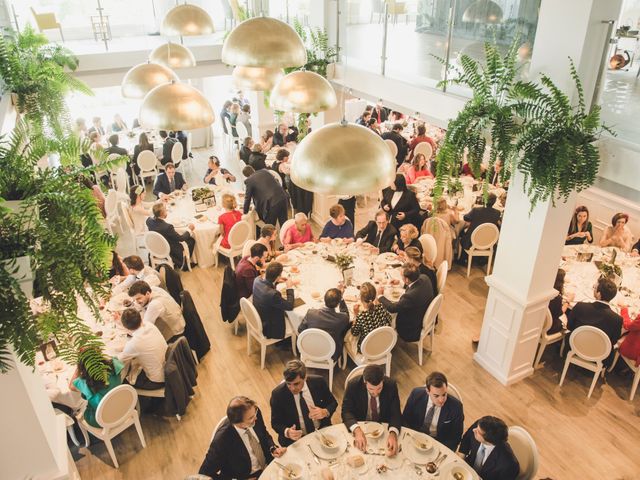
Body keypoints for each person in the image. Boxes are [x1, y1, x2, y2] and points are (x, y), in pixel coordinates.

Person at [199, 396, 285, 479]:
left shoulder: (254, 413)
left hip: (270, 465)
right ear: (238, 423)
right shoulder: (221, 441)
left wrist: (273, 448)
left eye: (255, 412)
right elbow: (204, 474)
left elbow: (264, 434)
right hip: (247, 476)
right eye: (251, 418)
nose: (256, 417)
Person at [270, 360, 338, 446]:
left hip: (321, 430)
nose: (292, 388)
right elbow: (275, 423)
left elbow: (333, 403)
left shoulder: (319, 382)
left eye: (296, 384)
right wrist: (287, 432)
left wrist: (325, 411)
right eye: (288, 384)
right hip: (295, 440)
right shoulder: (278, 394)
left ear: (305, 377)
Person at [341, 365, 402, 455]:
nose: (375, 393)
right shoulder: (353, 385)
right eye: (371, 389)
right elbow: (346, 411)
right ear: (365, 382)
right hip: (360, 426)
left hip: (383, 429)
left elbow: (395, 412)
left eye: (379, 388)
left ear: (383, 381)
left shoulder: (391, 385)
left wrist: (393, 434)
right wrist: (357, 430)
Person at [566, 277, 623, 367]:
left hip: (574, 347)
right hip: (600, 356)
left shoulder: (580, 306)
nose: (594, 289)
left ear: (599, 294)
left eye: (595, 288)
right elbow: (613, 341)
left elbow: (569, 326)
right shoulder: (617, 319)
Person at [402, 371, 464, 451]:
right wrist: (410, 438)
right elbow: (405, 419)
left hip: (439, 444)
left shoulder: (456, 407)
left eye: (444, 394)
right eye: (436, 396)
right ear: (428, 391)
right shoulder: (416, 394)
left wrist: (442, 450)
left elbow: (456, 436)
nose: (441, 400)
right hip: (415, 437)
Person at [379, 264, 434, 342]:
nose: (401, 277)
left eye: (402, 276)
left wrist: (380, 296)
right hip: (423, 314)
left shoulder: (409, 297)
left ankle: (385, 341)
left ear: (407, 279)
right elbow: (414, 285)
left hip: (411, 329)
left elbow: (392, 308)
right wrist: (400, 283)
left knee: (384, 316)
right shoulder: (425, 278)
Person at [69, 350, 124, 427]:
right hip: (123, 408)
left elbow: (71, 386)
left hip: (101, 419)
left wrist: (78, 369)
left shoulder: (85, 382)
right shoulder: (114, 366)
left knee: (83, 407)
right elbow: (111, 358)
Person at [118, 308, 167, 389]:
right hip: (168, 368)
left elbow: (119, 360)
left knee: (125, 381)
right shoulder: (149, 325)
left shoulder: (134, 344)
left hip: (157, 380)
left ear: (125, 327)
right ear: (140, 317)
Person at [298, 287, 350, 361]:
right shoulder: (342, 319)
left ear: (324, 299)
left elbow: (300, 330)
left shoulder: (311, 313)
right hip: (331, 354)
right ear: (337, 304)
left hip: (310, 349)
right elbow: (346, 315)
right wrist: (341, 299)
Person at [146, 202, 196, 270]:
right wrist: (189, 230)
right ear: (162, 214)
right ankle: (184, 264)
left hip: (156, 246)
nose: (167, 211)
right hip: (169, 249)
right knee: (191, 240)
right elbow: (181, 238)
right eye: (165, 210)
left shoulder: (148, 221)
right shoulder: (167, 227)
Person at [252, 262, 294, 339]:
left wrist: (276, 281)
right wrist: (289, 288)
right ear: (278, 276)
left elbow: (267, 284)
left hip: (259, 316)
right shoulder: (273, 294)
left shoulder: (257, 280)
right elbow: (289, 306)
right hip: (270, 327)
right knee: (294, 319)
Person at [348, 282, 392, 352]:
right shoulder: (381, 307)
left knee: (347, 337)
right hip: (383, 344)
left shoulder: (361, 316)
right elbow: (390, 319)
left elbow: (354, 333)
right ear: (375, 296)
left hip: (367, 349)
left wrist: (355, 315)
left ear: (360, 298)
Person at [547, 269, 572, 335]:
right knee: (568, 319)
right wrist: (568, 301)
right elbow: (561, 312)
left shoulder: (546, 290)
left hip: (540, 322)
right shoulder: (556, 298)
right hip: (549, 327)